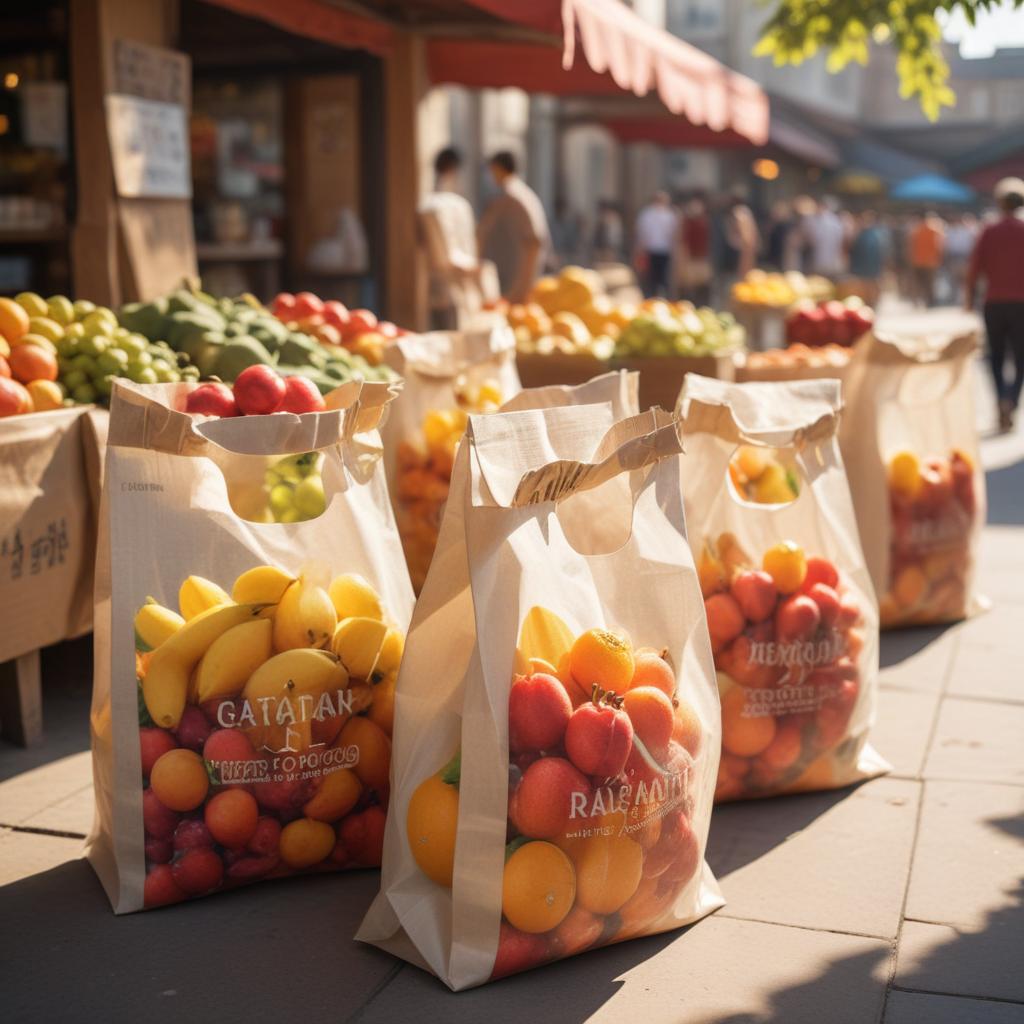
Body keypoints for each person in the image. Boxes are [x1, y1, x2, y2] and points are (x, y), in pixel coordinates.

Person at [966, 177, 1024, 433]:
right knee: (1021, 358)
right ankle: (1011, 398)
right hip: (1021, 303)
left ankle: (1001, 397)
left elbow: (974, 269)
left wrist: (968, 300)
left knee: (996, 357)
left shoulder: (989, 231)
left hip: (994, 303)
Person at [418, 147, 484, 329]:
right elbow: (443, 257)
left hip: (453, 289)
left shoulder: (440, 205)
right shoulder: (437, 207)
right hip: (447, 291)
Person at [477, 151, 551, 304]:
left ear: (498, 168)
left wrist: (521, 287)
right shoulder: (518, 193)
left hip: (515, 281)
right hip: (513, 278)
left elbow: (534, 240)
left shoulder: (512, 196)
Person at [633, 190, 679, 297]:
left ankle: (659, 296)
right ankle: (652, 296)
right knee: (652, 277)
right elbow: (642, 233)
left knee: (661, 277)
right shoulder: (648, 215)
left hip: (663, 249)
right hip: (651, 249)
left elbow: (673, 234)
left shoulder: (668, 215)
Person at [677, 196, 712, 306]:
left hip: (701, 257)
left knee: (702, 285)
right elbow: (684, 240)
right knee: (689, 285)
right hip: (691, 258)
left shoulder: (704, 221)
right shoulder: (688, 222)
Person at [848, 211, 887, 306]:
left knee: (873, 284)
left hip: (873, 265)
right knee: (865, 285)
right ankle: (869, 302)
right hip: (863, 265)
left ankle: (873, 302)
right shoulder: (860, 234)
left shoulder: (876, 234)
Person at [801, 197, 846, 278]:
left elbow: (810, 239)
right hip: (832, 260)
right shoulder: (836, 221)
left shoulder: (813, 220)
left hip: (817, 260)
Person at [908, 212, 945, 307]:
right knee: (930, 283)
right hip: (931, 261)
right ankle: (930, 301)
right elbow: (939, 246)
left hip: (917, 260)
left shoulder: (916, 229)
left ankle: (917, 301)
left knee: (919, 283)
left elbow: (910, 245)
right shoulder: (935, 229)